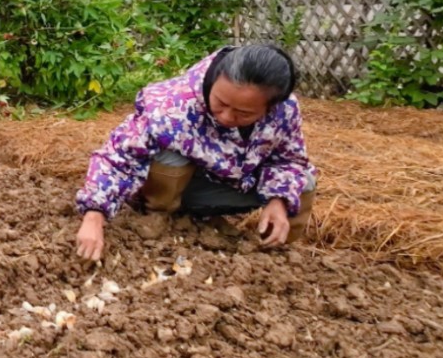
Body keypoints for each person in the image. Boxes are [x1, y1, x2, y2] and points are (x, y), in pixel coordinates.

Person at [75, 44, 317, 261]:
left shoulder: (285, 111)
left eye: (243, 114)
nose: (226, 117)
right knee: (170, 155)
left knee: (304, 182)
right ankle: (159, 219)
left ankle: (272, 253)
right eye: (220, 103)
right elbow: (119, 157)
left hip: (229, 188)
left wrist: (279, 199)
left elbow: (288, 159)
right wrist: (94, 215)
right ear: (214, 81)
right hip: (178, 188)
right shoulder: (173, 105)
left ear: (271, 107)